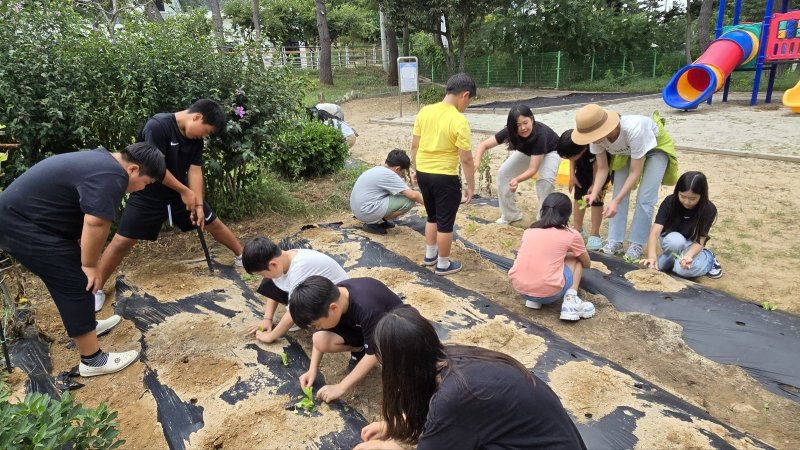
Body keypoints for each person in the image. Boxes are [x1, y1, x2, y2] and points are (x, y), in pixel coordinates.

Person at [0, 144, 166, 377]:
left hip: (29, 220)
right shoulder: (113, 175)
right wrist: (90, 265)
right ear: (133, 170)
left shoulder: (103, 161)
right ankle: (92, 360)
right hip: (21, 225)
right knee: (74, 281)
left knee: (69, 272)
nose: (139, 190)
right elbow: (96, 222)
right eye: (145, 183)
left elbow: (79, 206)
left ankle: (86, 326)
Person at [354, 306, 587, 450]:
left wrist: (390, 447)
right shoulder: (453, 359)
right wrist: (395, 425)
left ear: (399, 367)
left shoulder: (457, 394)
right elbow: (436, 416)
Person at [95, 99, 244, 312]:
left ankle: (242, 256)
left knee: (211, 222)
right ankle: (95, 288)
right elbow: (155, 168)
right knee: (122, 241)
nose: (204, 137)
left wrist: (199, 204)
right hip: (147, 190)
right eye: (206, 131)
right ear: (197, 117)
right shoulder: (158, 126)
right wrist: (185, 191)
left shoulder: (195, 139)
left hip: (180, 193)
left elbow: (194, 169)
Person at [572, 104, 678, 262]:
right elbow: (602, 168)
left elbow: (635, 172)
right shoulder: (595, 139)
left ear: (605, 128)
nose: (592, 140)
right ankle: (615, 241)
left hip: (655, 148)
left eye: (594, 135)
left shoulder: (634, 129)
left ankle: (636, 243)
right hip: (626, 151)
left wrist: (616, 201)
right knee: (618, 192)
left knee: (645, 198)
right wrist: (593, 194)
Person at [290, 276, 402, 403]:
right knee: (320, 339)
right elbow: (318, 339)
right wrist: (312, 370)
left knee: (389, 358)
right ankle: (360, 349)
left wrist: (340, 387)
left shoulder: (367, 307)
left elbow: (374, 354)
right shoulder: (333, 298)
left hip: (395, 331)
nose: (318, 328)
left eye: (317, 324)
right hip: (363, 328)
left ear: (333, 309)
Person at [411, 73, 477, 276]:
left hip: (424, 172)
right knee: (445, 222)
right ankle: (443, 263)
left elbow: (415, 145)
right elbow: (466, 159)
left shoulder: (425, 111)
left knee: (432, 216)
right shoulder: (458, 120)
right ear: (464, 95)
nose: (467, 105)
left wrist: (415, 169)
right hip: (444, 176)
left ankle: (430, 255)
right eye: (469, 101)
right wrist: (471, 185)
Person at [241, 236, 348, 343]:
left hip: (335, 301)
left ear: (273, 265)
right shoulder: (284, 258)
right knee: (268, 282)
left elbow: (293, 310)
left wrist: (271, 336)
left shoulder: (299, 269)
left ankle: (305, 319)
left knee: (304, 314)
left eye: (262, 273)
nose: (264, 276)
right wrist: (267, 319)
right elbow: (275, 285)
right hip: (317, 290)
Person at [508, 193, 595, 320]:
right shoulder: (571, 234)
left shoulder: (529, 231)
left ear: (543, 210)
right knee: (575, 258)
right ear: (567, 214)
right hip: (549, 293)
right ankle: (570, 303)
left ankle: (534, 301)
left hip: (521, 290)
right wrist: (568, 253)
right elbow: (587, 263)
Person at [474, 105, 560, 224]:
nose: (523, 128)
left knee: (545, 181)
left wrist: (517, 180)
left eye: (525, 122)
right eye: (518, 125)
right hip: (528, 152)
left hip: (550, 151)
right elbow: (484, 145)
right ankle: (510, 215)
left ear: (532, 119)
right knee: (503, 174)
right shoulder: (510, 131)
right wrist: (477, 162)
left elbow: (533, 169)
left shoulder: (541, 134)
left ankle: (543, 219)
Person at [640, 171, 723, 279]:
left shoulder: (708, 209)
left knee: (682, 270)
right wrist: (651, 256)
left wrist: (688, 256)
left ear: (702, 195)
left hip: (691, 244)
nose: (687, 201)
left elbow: (700, 241)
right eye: (682, 196)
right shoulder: (669, 202)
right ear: (677, 191)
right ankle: (671, 260)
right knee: (674, 243)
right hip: (672, 241)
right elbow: (655, 233)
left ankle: (709, 259)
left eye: (692, 198)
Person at [556, 129, 612, 251]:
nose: (570, 158)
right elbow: (572, 159)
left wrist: (594, 186)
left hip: (600, 173)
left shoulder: (593, 145)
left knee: (596, 200)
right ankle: (578, 229)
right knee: (579, 197)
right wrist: (572, 176)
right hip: (582, 171)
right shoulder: (574, 143)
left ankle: (594, 234)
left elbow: (599, 167)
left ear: (580, 151)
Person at [350, 149, 423, 235]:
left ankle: (377, 220)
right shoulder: (389, 175)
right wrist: (432, 207)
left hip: (358, 209)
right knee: (409, 201)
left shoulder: (379, 169)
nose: (401, 174)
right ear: (398, 169)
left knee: (400, 194)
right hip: (365, 211)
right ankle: (374, 223)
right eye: (402, 172)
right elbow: (413, 195)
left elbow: (402, 188)